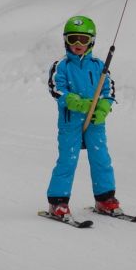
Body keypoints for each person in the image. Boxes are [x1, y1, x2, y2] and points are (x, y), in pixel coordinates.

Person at [46, 15, 122, 220]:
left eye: (83, 39)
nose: (78, 44)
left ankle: (105, 199)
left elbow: (108, 89)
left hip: (95, 121)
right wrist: (77, 102)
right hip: (71, 122)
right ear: (65, 41)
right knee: (67, 160)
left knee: (101, 159)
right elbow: (56, 89)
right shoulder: (61, 66)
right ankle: (58, 203)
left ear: (92, 41)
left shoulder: (99, 66)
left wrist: (104, 106)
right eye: (73, 39)